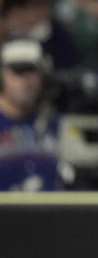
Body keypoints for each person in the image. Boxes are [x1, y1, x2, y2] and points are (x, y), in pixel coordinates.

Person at [0, 39, 58, 191]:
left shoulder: (51, 122)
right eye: (18, 72)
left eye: (32, 72)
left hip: (48, 211)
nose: (25, 81)